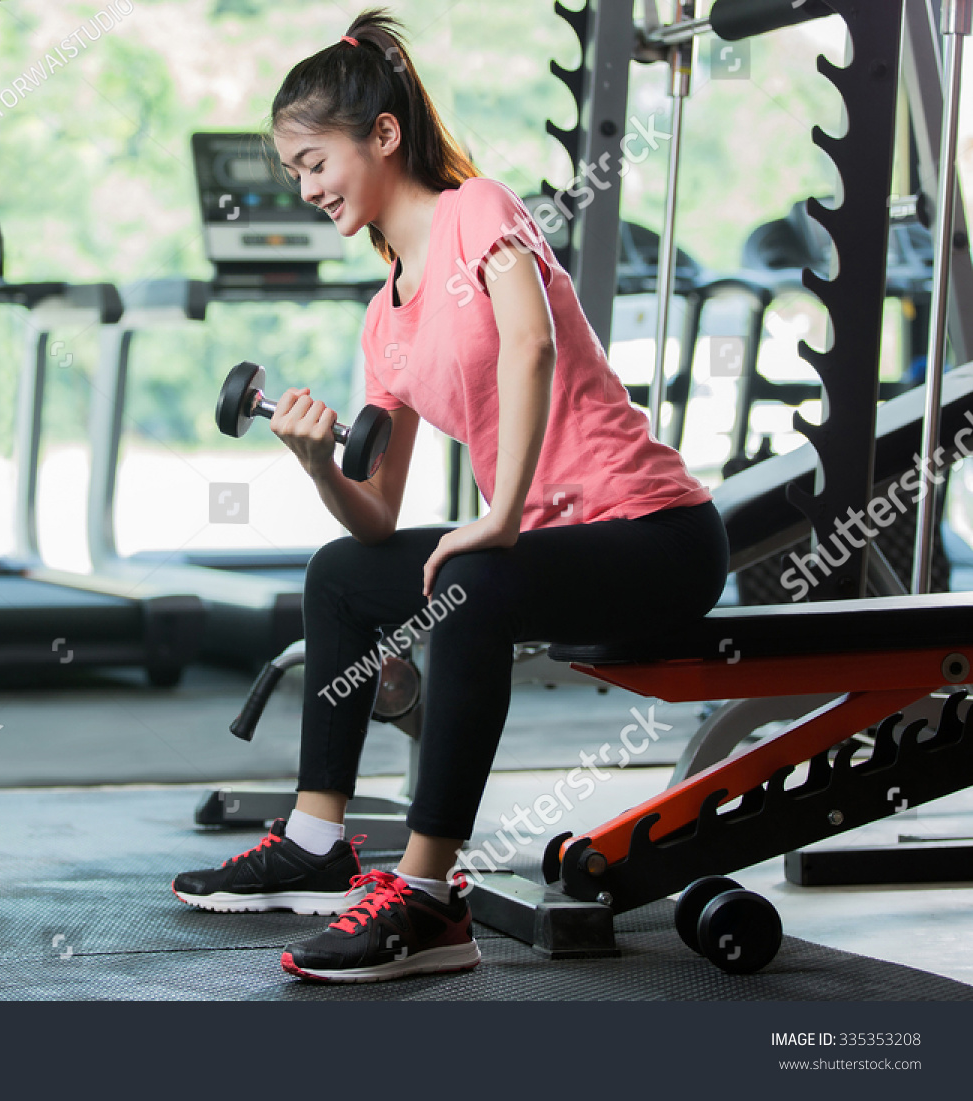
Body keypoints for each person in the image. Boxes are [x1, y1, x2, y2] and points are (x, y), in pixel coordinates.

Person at [171, 8, 729, 983]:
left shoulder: (480, 210)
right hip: (541, 552)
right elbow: (378, 516)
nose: (307, 190)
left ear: (383, 135)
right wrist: (317, 462)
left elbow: (531, 343)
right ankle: (316, 842)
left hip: (656, 535)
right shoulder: (384, 317)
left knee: (470, 578)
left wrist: (500, 515)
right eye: (294, 173)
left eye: (314, 163)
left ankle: (429, 898)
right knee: (340, 574)